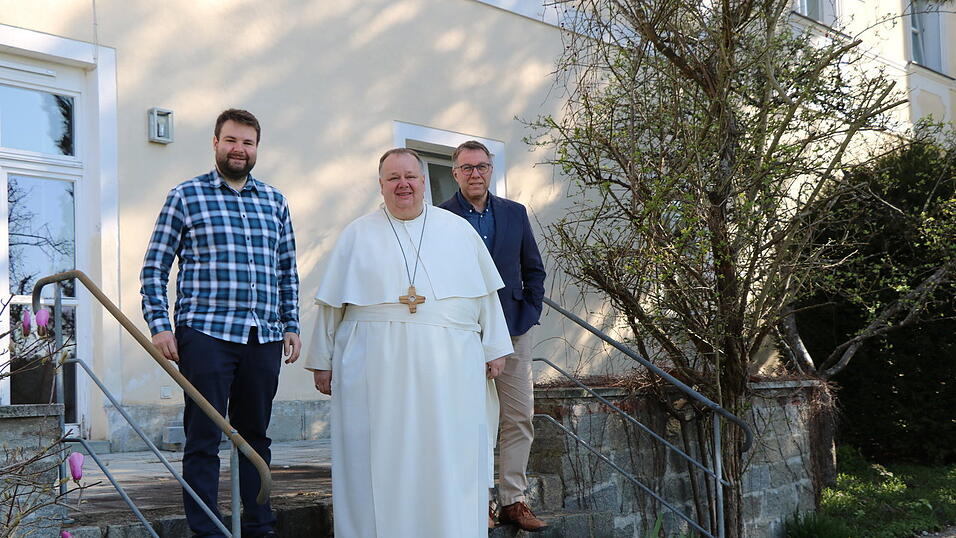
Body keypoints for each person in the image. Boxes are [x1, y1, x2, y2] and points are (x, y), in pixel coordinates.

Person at [305, 148, 513, 538]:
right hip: (374, 368)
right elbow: (332, 307)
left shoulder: (457, 230)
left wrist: (495, 347)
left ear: (423, 182)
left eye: (411, 177)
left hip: (451, 366)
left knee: (447, 453)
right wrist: (322, 359)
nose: (403, 185)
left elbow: (486, 298)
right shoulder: (356, 233)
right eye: (393, 178)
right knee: (379, 456)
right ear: (381, 185)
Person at [140, 109, 301, 538]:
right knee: (204, 437)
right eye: (231, 140)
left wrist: (292, 324)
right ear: (215, 143)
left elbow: (287, 271)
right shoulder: (185, 196)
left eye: (247, 143)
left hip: (263, 335)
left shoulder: (275, 201)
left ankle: (260, 526)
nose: (239, 149)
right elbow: (154, 268)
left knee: (256, 438)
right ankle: (207, 530)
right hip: (205, 332)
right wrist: (160, 325)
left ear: (256, 149)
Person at [439, 140, 548, 532]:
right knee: (470, 419)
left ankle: (513, 501)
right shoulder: (440, 218)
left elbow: (533, 268)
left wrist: (530, 310)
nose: (475, 174)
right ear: (455, 173)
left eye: (482, 167)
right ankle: (476, 502)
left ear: (491, 170)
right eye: (466, 168)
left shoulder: (515, 214)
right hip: (463, 334)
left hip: (514, 329)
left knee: (519, 416)